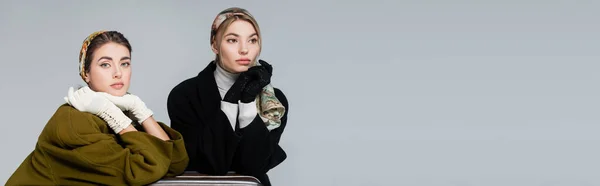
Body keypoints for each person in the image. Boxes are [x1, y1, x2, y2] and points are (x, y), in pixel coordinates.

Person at [6, 30, 189, 186]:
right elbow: (144, 168)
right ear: (86, 74)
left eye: (124, 63)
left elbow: (175, 162)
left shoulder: (119, 110)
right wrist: (112, 115)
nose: (118, 73)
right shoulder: (74, 122)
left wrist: (139, 109)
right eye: (105, 64)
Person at [167, 7, 289, 186]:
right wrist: (231, 100)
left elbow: (254, 166)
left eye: (252, 40)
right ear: (214, 45)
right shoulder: (185, 95)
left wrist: (247, 102)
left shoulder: (274, 101)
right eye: (232, 40)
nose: (244, 49)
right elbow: (210, 164)